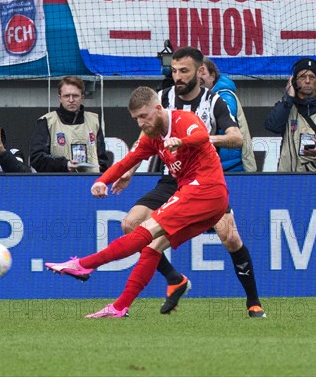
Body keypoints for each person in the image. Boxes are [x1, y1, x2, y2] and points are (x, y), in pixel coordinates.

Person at [46, 86, 229, 318]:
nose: (141, 123)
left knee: (144, 230)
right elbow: (127, 161)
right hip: (209, 202)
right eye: (136, 119)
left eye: (144, 116)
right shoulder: (153, 138)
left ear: (158, 108)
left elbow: (202, 135)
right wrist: (102, 181)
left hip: (205, 189)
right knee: (152, 248)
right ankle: (120, 307)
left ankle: (84, 264)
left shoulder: (183, 119)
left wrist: (181, 142)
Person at [113, 47, 266, 317]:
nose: (178, 76)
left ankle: (254, 303)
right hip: (170, 179)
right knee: (130, 224)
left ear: (200, 71)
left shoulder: (214, 101)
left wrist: (203, 139)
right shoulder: (161, 99)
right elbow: (144, 139)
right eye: (174, 71)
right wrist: (129, 170)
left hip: (203, 182)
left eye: (184, 71)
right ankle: (175, 279)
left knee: (230, 238)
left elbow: (237, 138)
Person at [29, 76, 111, 173]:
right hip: (59, 183)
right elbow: (36, 158)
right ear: (60, 98)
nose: (71, 100)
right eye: (67, 96)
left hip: (90, 183)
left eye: (75, 96)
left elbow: (102, 160)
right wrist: (65, 164)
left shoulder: (94, 121)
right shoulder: (47, 121)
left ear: (82, 97)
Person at [201, 57, 257, 173]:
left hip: (232, 168)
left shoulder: (225, 95)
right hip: (212, 167)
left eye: (202, 73)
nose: (198, 77)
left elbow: (225, 113)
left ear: (212, 76)